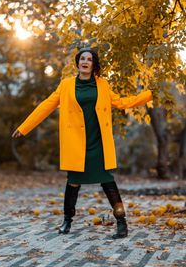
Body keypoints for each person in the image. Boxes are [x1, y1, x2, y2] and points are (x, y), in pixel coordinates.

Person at [12, 47, 153, 239]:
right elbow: (46, 105)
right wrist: (24, 127)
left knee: (108, 181)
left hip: (98, 142)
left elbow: (121, 102)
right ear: (78, 63)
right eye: (82, 59)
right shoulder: (66, 85)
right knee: (73, 183)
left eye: (89, 59)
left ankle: (122, 222)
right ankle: (67, 220)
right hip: (77, 144)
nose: (85, 61)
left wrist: (149, 95)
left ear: (94, 64)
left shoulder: (102, 84)